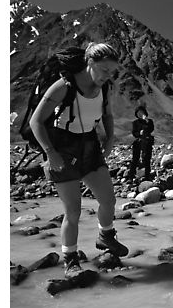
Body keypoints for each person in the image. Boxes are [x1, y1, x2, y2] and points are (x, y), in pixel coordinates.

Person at [29, 42, 128, 278]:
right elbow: (36, 122)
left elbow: (107, 114)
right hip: (62, 150)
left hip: (90, 147)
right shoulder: (64, 86)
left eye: (112, 72)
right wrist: (50, 153)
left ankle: (105, 237)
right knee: (73, 211)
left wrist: (110, 138)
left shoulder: (105, 88)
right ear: (89, 63)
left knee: (108, 199)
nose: (108, 76)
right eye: (104, 70)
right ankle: (70, 259)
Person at [128, 105, 154, 180]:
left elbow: (151, 129)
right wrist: (139, 133)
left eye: (141, 113)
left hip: (147, 141)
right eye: (138, 113)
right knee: (135, 159)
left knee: (147, 159)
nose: (140, 114)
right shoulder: (135, 123)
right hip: (138, 142)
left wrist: (146, 122)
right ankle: (131, 176)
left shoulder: (149, 121)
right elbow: (134, 133)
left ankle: (147, 176)